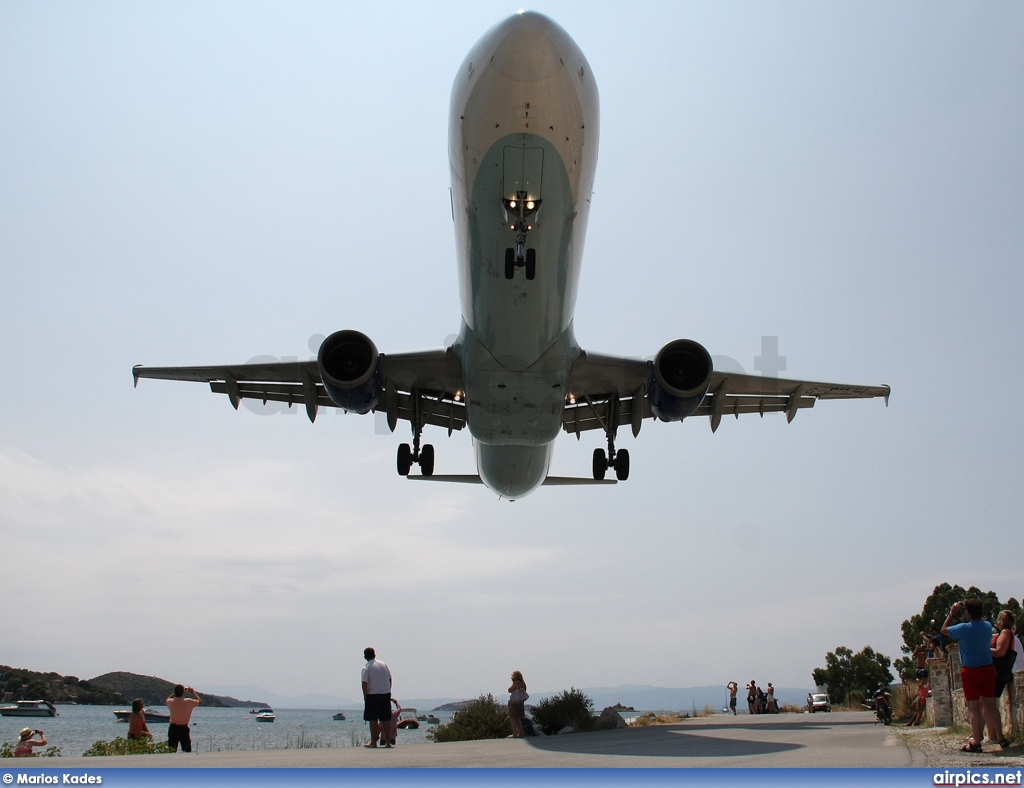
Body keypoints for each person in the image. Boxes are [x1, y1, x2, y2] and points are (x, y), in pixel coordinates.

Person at [942, 599, 1006, 751]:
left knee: (973, 706)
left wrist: (952, 613)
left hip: (970, 670)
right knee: (990, 705)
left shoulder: (964, 628)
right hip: (987, 668)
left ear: (968, 613)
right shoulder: (987, 626)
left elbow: (944, 630)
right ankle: (1001, 737)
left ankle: (976, 740)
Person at [361, 647, 393, 748]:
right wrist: (387, 689)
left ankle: (373, 742)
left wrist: (365, 695)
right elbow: (390, 678)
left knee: (373, 719)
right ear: (375, 654)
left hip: (373, 695)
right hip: (385, 694)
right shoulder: (383, 664)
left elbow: (364, 683)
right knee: (386, 719)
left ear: (365, 656)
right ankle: (388, 742)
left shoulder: (367, 667)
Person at [165, 684, 201, 752]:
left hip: (173, 728)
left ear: (175, 692)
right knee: (187, 750)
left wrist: (175, 693)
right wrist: (193, 692)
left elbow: (167, 699)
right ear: (183, 692)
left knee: (171, 750)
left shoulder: (171, 702)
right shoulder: (188, 701)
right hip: (183, 729)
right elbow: (199, 701)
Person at [991, 610, 1017, 701]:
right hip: (1000, 672)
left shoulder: (1005, 632)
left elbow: (999, 652)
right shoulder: (1007, 633)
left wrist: (983, 650)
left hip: (999, 672)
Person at [508, 671, 529, 737]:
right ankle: (520, 733)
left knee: (512, 717)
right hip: (521, 703)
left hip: (514, 703)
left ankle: (514, 733)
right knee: (517, 718)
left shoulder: (516, 683)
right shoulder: (523, 684)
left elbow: (509, 690)